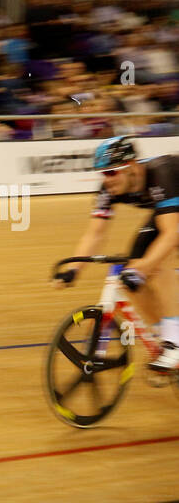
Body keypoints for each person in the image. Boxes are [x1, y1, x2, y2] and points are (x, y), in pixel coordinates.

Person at [56, 136, 179, 371]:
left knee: (156, 261)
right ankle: (166, 335)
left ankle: (175, 343)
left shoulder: (160, 174)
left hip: (174, 204)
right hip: (171, 210)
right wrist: (74, 270)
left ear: (132, 166)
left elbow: (171, 234)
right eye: (103, 174)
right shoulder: (109, 190)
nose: (107, 180)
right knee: (133, 268)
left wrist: (143, 268)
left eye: (112, 172)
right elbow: (95, 234)